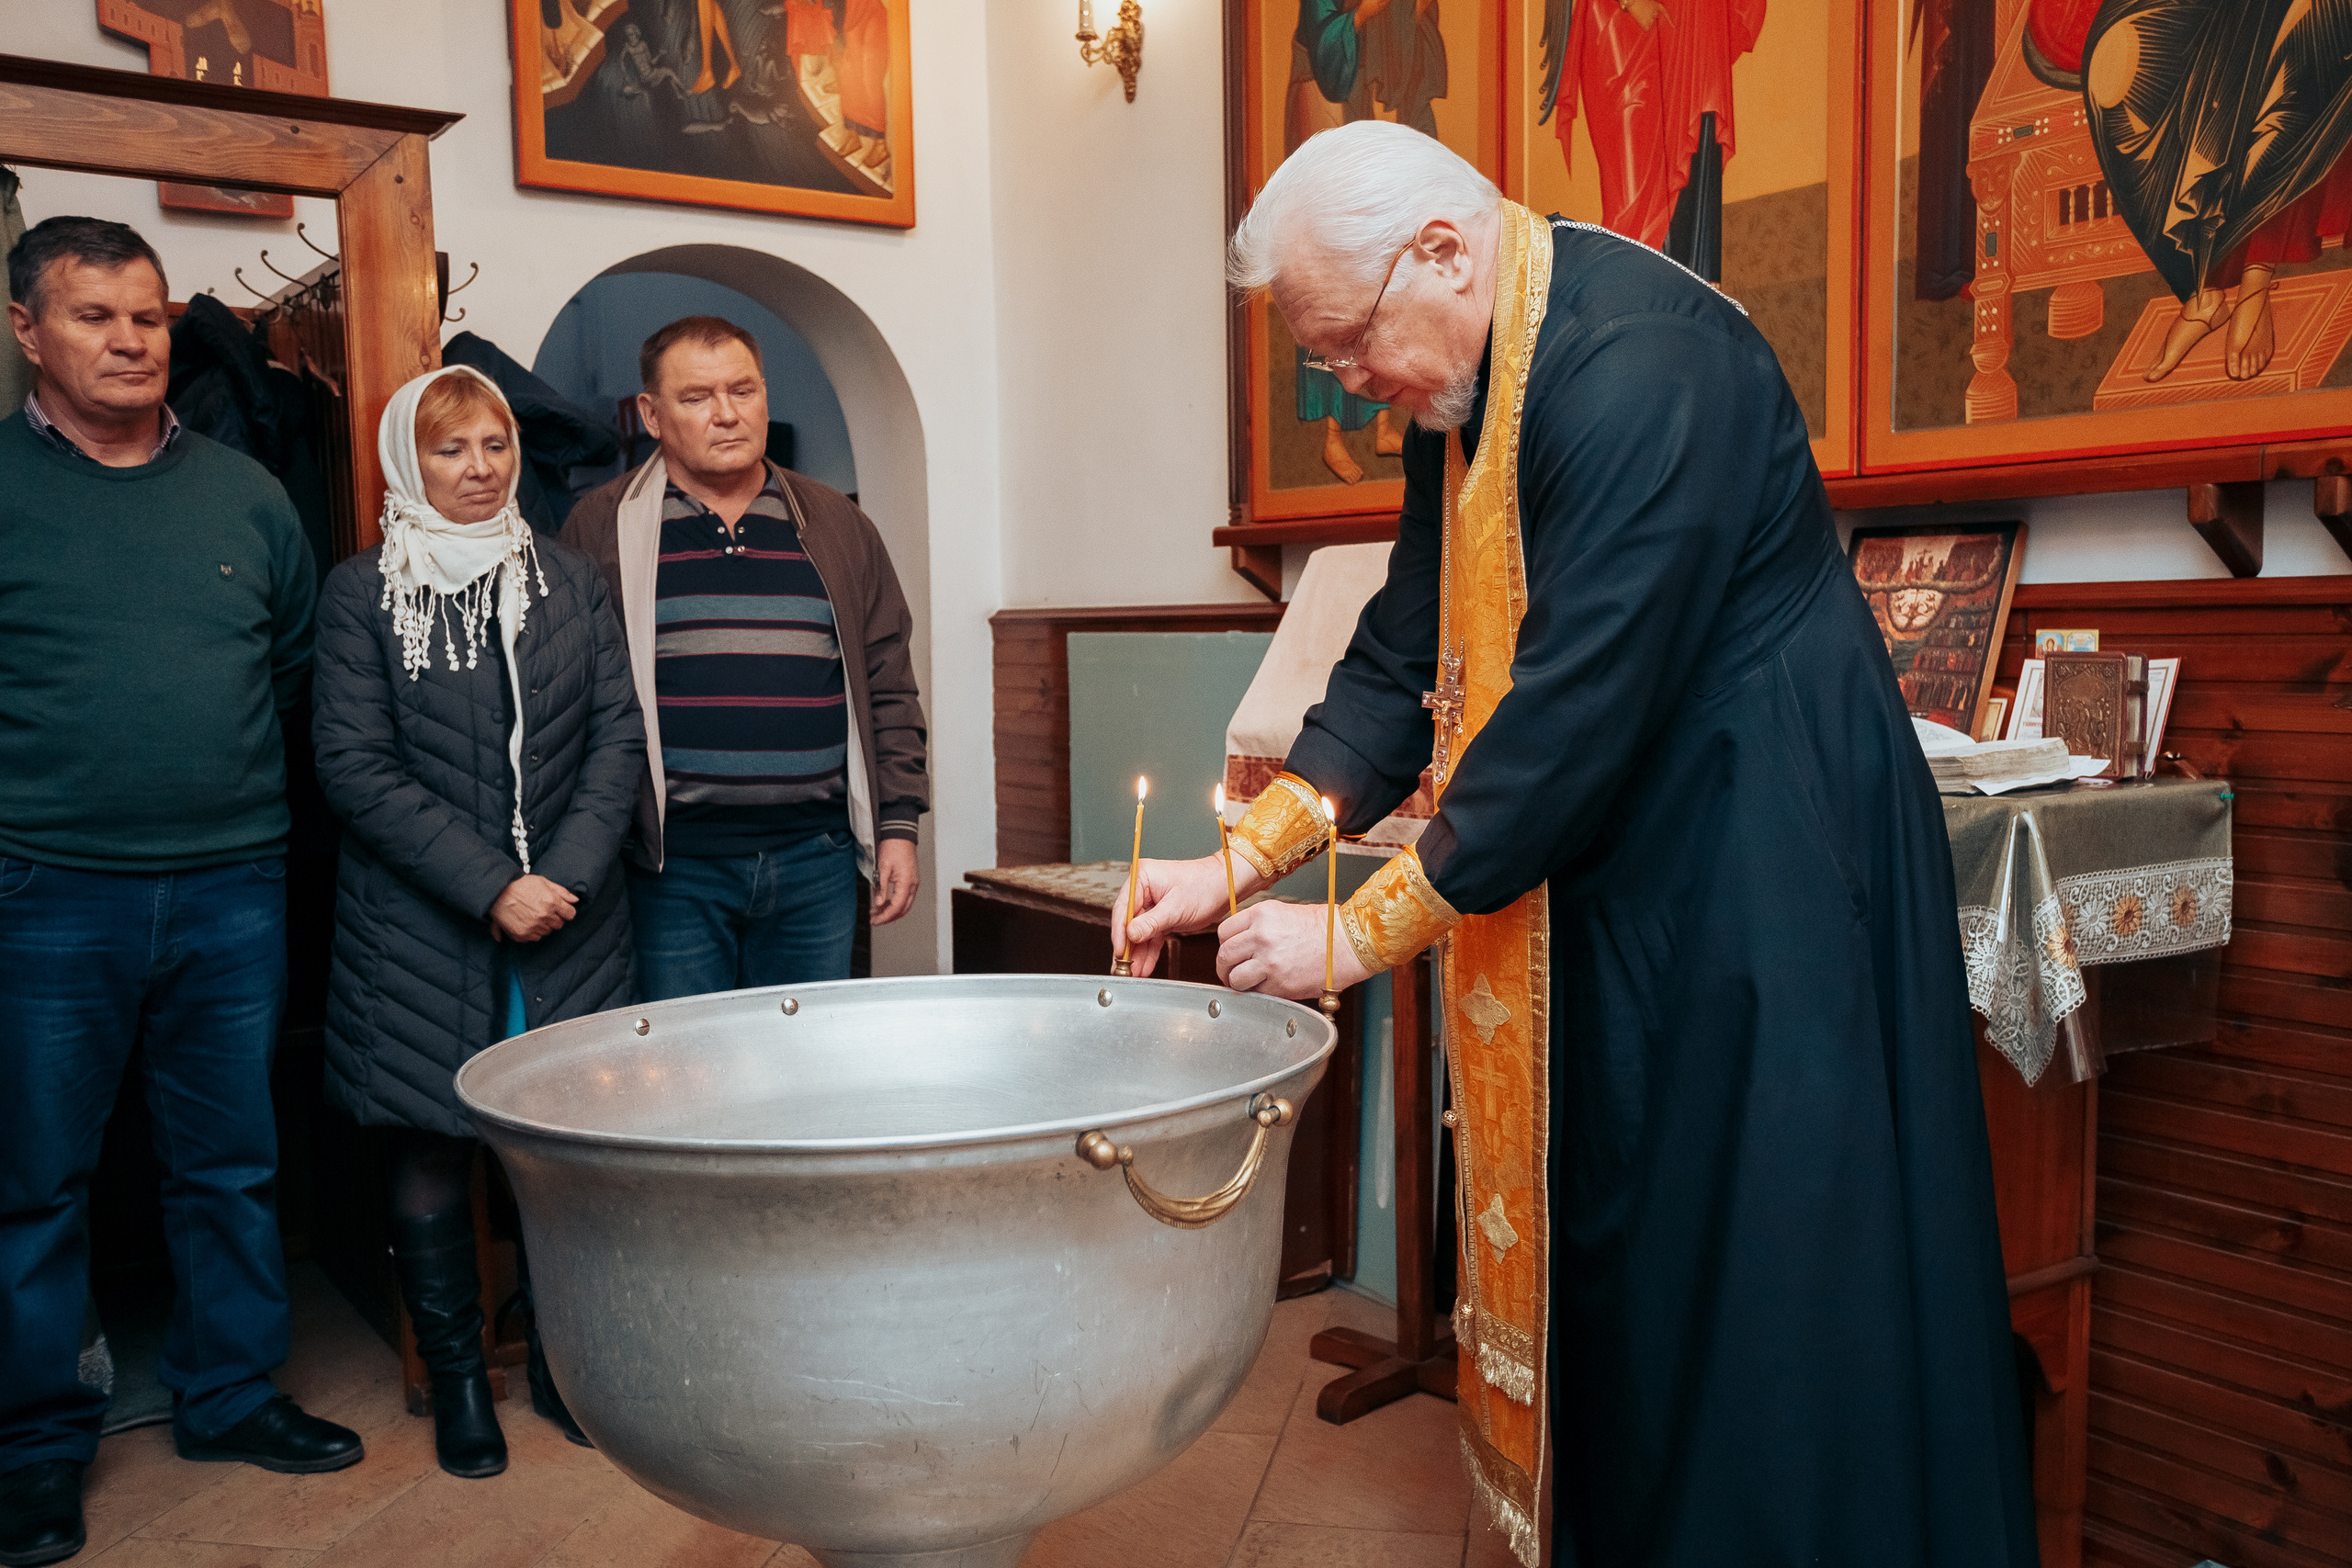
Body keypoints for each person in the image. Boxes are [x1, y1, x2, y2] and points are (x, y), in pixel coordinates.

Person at [1118, 122, 2038, 1567]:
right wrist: (1238, 862)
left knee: (1765, 1262)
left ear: (1443, 251)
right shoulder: (1474, 377)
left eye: (1349, 343)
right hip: (1627, 860)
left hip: (1767, 865)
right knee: (1637, 1243)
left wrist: (1350, 936)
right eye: (1326, 358)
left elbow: (1568, 713)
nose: (1350, 384)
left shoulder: (1641, 368)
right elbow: (1401, 649)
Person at [0, 216, 360, 1568]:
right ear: (29, 330)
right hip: (43, 888)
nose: (132, 339)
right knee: (37, 1179)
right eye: (94, 315)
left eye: (147, 314)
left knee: (231, 1159)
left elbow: (286, 669)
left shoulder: (246, 493)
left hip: (229, 882)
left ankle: (226, 1394)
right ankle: (34, 1443)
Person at [311, 366, 644, 1478]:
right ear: (410, 462)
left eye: (496, 446)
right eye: (451, 449)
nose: (479, 469)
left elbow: (616, 743)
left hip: (570, 924)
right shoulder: (364, 593)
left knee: (556, 1160)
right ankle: (461, 1385)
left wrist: (564, 876)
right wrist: (487, 884)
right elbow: (351, 768)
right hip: (421, 931)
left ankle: (563, 1368)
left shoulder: (570, 580)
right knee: (432, 1150)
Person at [567, 315, 927, 1001]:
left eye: (744, 390)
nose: (727, 414)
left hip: (815, 860)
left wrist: (898, 828)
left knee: (804, 1075)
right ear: (651, 413)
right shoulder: (600, 525)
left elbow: (888, 682)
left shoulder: (836, 522)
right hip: (671, 869)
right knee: (682, 1077)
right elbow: (573, 695)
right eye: (697, 397)